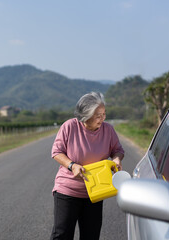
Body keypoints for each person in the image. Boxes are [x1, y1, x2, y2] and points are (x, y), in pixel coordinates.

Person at [50, 92, 125, 240]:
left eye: (104, 114)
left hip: (95, 192)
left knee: (91, 236)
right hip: (68, 190)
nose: (102, 118)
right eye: (98, 115)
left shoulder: (108, 130)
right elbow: (57, 152)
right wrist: (72, 165)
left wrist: (116, 160)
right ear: (85, 115)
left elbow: (118, 150)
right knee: (62, 235)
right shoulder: (70, 126)